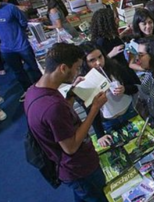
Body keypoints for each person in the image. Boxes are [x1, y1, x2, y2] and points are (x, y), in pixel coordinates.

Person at [24, 43, 108, 201]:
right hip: (78, 168)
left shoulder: (34, 91)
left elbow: (59, 121)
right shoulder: (52, 107)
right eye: (76, 68)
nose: (77, 72)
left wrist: (71, 93)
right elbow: (71, 147)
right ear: (63, 68)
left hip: (68, 168)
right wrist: (95, 108)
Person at [79, 42, 139, 147]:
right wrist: (100, 134)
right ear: (85, 63)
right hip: (109, 121)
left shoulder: (115, 67)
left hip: (129, 111)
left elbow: (135, 87)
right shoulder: (84, 82)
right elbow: (90, 111)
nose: (98, 62)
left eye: (100, 57)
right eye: (92, 60)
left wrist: (125, 89)